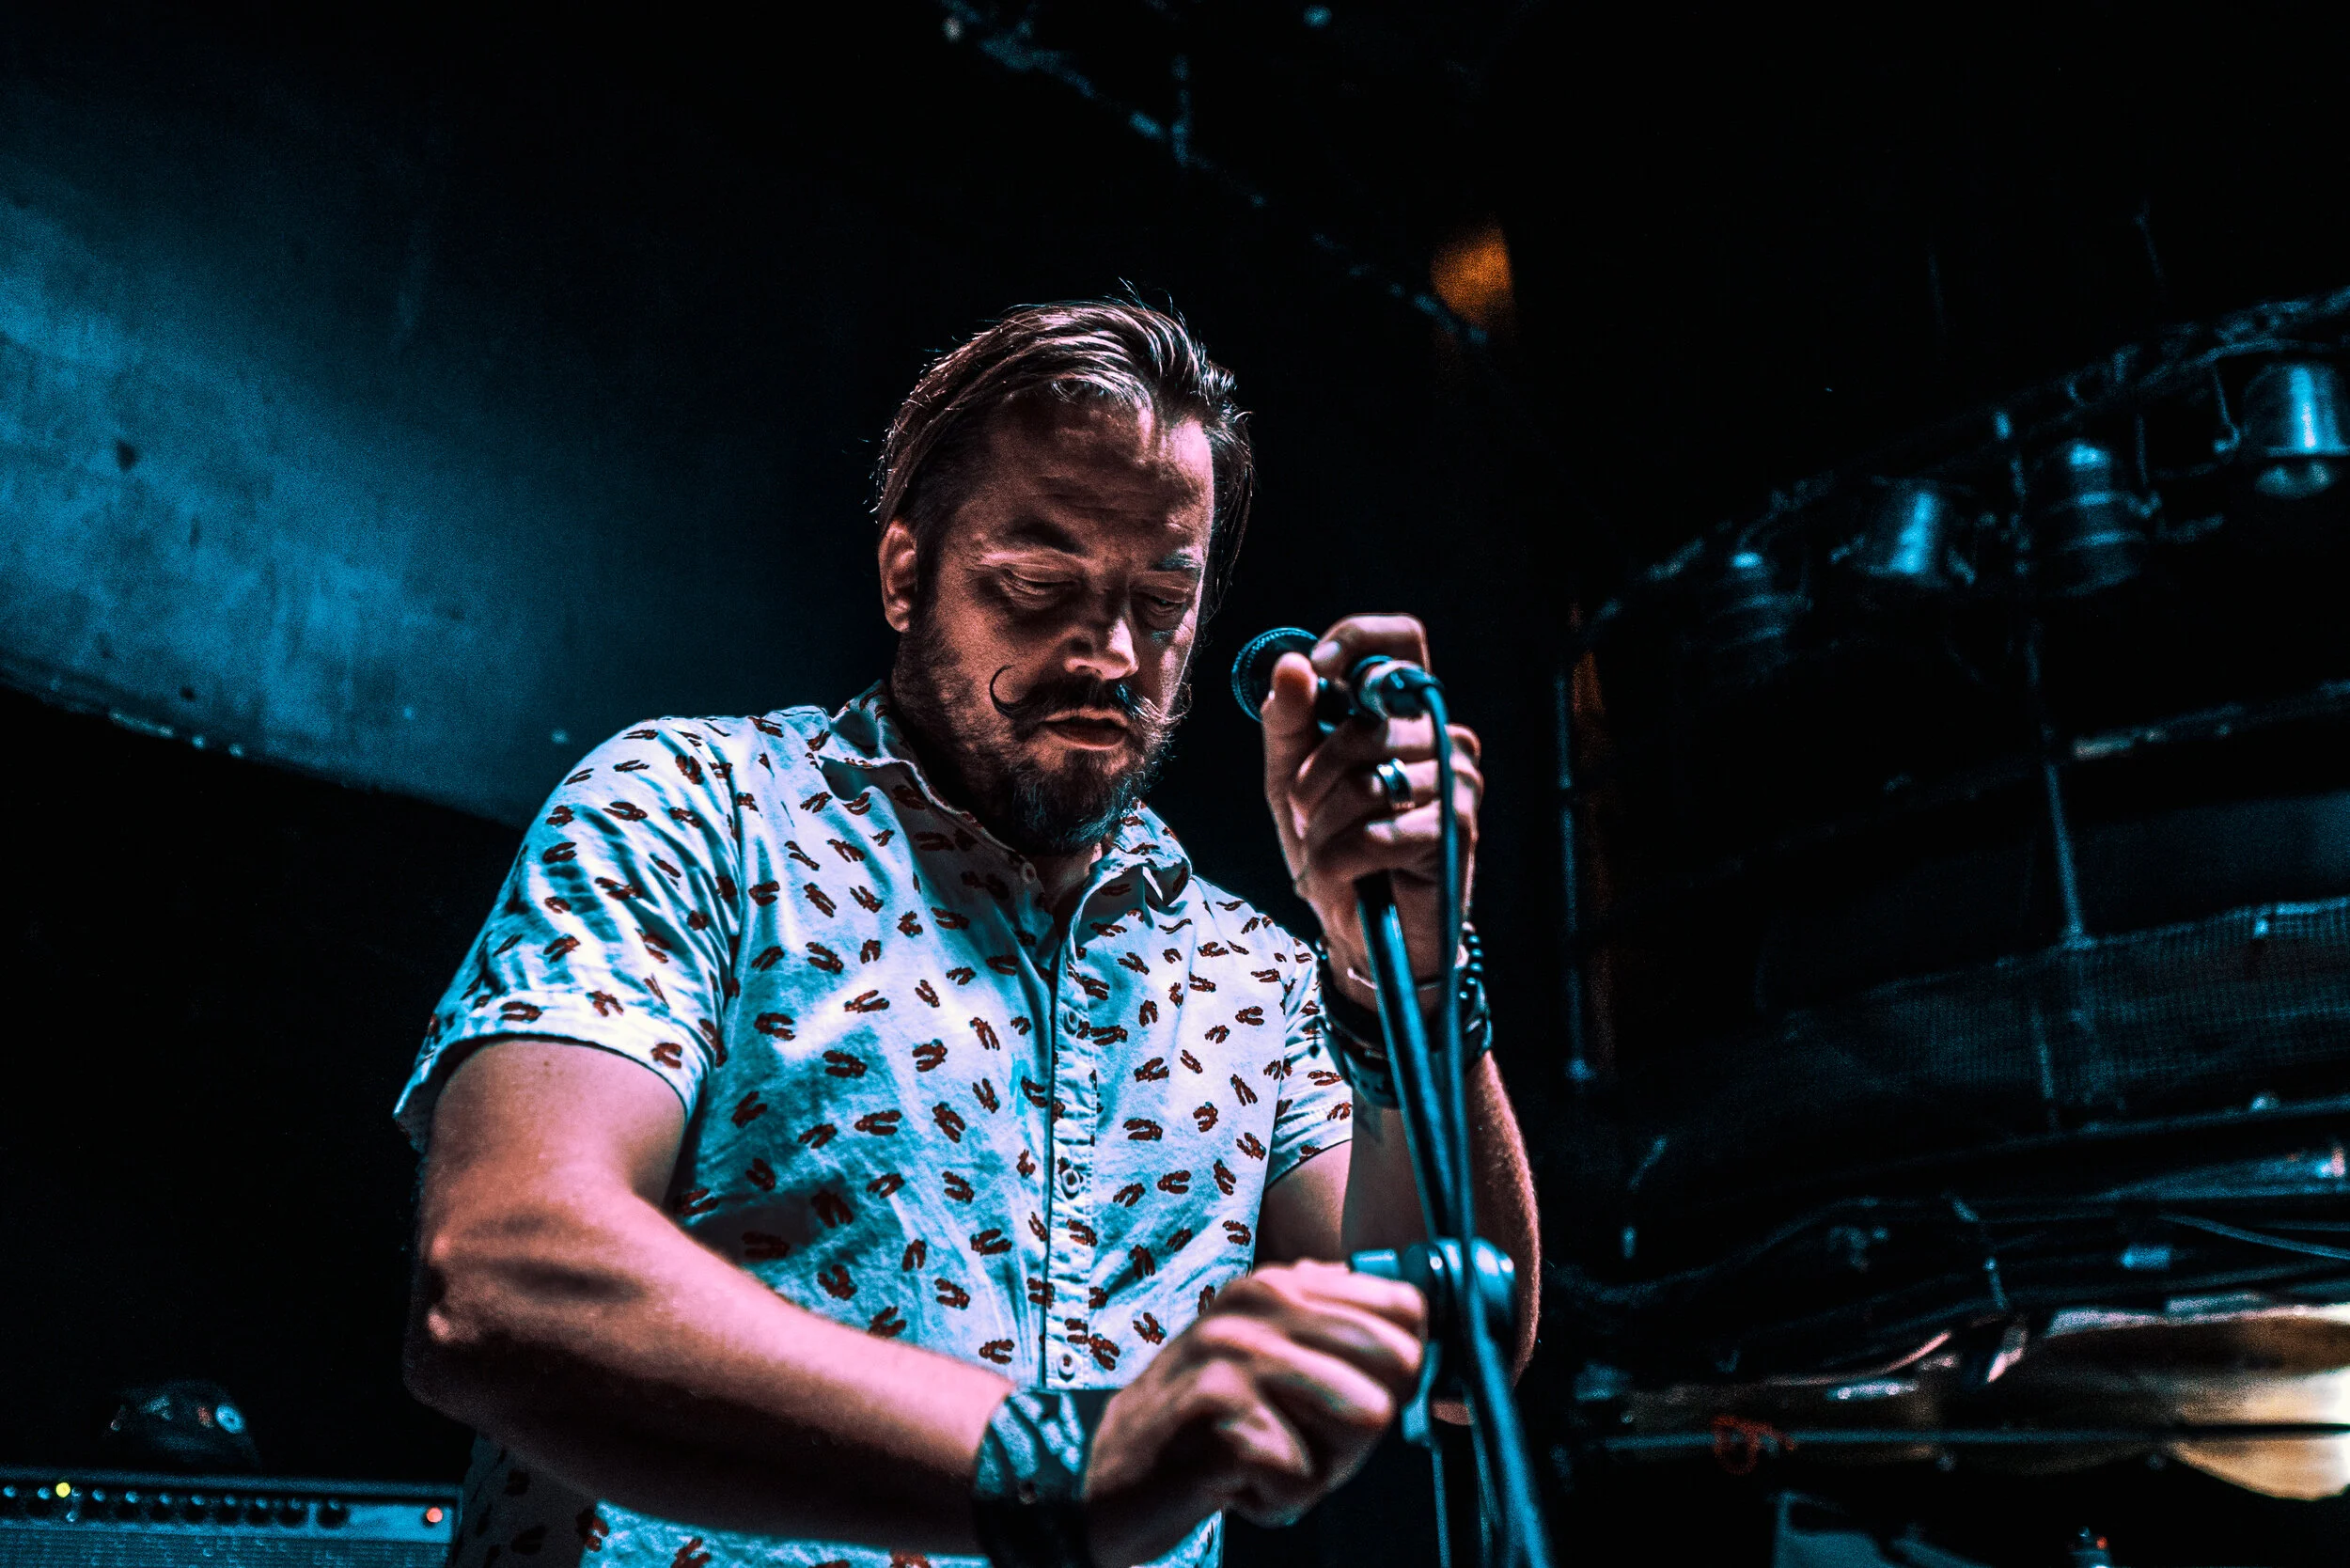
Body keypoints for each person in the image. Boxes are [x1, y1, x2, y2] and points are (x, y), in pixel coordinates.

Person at [397, 300, 1538, 1568]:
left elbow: (1447, 1352)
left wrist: (1413, 972)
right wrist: (1062, 1463)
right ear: (905, 573)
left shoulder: (1256, 975)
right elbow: (499, 1280)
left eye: (1163, 597)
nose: (1111, 652)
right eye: (1041, 579)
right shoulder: (695, 809)